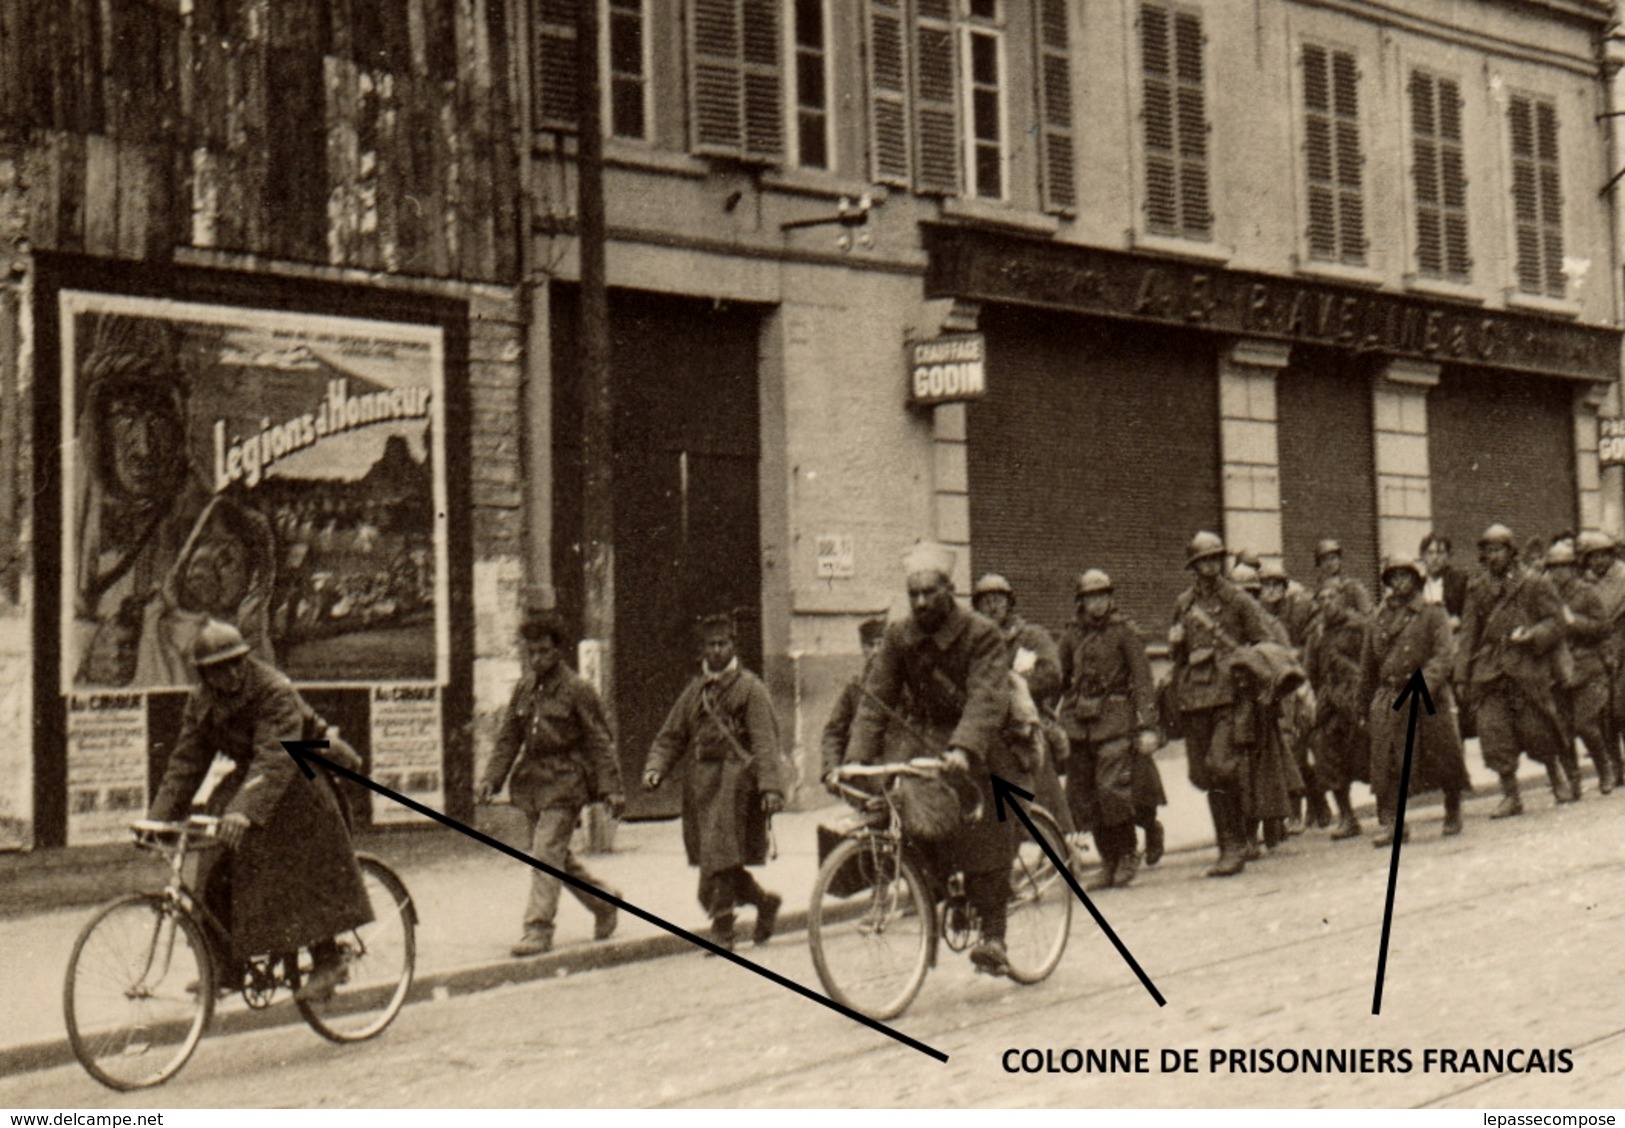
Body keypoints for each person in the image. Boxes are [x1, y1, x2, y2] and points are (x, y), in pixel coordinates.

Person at [145, 619, 371, 1002]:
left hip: (299, 776)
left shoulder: (272, 688)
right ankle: (224, 965)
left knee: (294, 868)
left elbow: (275, 754)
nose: (231, 673)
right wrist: (157, 819)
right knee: (217, 864)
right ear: (204, 673)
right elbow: (186, 762)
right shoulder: (201, 701)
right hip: (255, 781)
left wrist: (243, 811)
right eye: (219, 667)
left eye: (236, 662)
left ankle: (328, 960)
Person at [847, 542, 1026, 975]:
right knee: (908, 814)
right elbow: (876, 701)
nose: (922, 602)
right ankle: (945, 894)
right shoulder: (898, 636)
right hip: (928, 743)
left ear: (949, 590)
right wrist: (853, 761)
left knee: (986, 825)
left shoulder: (982, 633)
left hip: (986, 742)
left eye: (930, 592)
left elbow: (987, 698)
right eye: (914, 595)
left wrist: (964, 749)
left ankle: (994, 937)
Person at [71, 319, 212, 688]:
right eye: (127, 416)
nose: (144, 447)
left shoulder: (197, 509)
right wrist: (84, 651)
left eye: (156, 418)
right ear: (101, 424)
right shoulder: (74, 508)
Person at [478, 610, 624, 957]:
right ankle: (605, 902)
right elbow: (508, 739)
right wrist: (490, 779)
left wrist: (612, 789)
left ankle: (538, 929)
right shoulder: (524, 689)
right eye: (531, 652)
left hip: (566, 782)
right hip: (533, 784)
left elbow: (600, 742)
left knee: (546, 853)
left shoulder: (577, 689)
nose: (537, 659)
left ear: (558, 651)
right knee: (555, 855)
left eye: (544, 651)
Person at [643, 613, 790, 952]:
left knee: (719, 857)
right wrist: (655, 767)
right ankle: (765, 902)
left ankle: (723, 930)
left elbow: (765, 741)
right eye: (711, 645)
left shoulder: (750, 689)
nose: (717, 651)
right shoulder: (695, 691)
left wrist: (770, 788)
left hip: (734, 784)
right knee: (715, 861)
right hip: (701, 787)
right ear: (702, 650)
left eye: (723, 643)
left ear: (733, 646)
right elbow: (672, 735)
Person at [1168, 531, 1277, 877]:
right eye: (1204, 561)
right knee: (1202, 773)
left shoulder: (1238, 600)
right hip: (1195, 698)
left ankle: (1232, 846)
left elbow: (1265, 643)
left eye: (1216, 559)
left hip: (1231, 696)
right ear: (1194, 566)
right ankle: (1233, 840)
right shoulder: (1184, 604)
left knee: (1221, 765)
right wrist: (1176, 644)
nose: (1210, 566)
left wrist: (1253, 675)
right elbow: (1178, 655)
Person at [1455, 524, 1573, 816]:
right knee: (1493, 731)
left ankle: (1556, 776)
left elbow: (1556, 622)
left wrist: (1532, 634)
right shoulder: (1477, 589)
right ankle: (1510, 794)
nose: (1493, 556)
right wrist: (1460, 675)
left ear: (1511, 551)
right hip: (1490, 670)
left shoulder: (1534, 583)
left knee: (1537, 728)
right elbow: (1468, 634)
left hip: (1525, 667)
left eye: (1499, 550)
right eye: (1488, 551)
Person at [1057, 569, 1165, 890]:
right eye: (1091, 597)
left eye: (1103, 596)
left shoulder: (1124, 632)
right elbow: (1059, 677)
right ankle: (1109, 860)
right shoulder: (1071, 635)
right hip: (1079, 723)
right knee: (1085, 795)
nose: (1098, 603)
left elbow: (1144, 680)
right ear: (1082, 601)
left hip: (1116, 720)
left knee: (1110, 790)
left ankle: (1128, 852)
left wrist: (1147, 726)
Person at [1362, 555, 1467, 843]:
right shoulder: (1378, 618)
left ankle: (1452, 808)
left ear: (1416, 579)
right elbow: (1368, 666)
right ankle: (1396, 826)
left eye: (1405, 576)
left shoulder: (1432, 613)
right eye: (1393, 577)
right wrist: (1363, 705)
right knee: (1390, 761)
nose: (1399, 583)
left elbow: (1444, 656)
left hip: (1426, 695)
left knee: (1443, 753)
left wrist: (1423, 685)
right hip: (1391, 696)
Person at [969, 573, 1074, 838]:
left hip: (1030, 724)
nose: (993, 607)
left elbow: (1052, 675)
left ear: (1009, 603)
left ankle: (1063, 843)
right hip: (992, 728)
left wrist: (1015, 687)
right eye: (986, 602)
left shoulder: (1030, 637)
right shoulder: (974, 645)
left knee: (1043, 787)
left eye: (999, 600)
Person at [1305, 538, 1373, 840]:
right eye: (1324, 560)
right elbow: (1311, 669)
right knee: (1325, 750)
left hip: (1357, 692)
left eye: (1334, 558)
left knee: (1369, 749)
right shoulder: (1316, 624)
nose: (1329, 564)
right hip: (1330, 698)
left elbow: (1373, 639)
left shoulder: (1355, 599)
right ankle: (1346, 815)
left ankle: (1388, 808)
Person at [1545, 543, 1613, 795]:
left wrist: (1574, 621)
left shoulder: (1586, 592)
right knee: (1561, 728)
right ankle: (1573, 781)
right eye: (1553, 567)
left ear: (1573, 568)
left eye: (1563, 567)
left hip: (1587, 666)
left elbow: (1603, 627)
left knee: (1585, 724)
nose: (1558, 573)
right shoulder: (1545, 594)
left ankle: (1604, 769)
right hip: (1558, 669)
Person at [1579, 530, 1625, 790]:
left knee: (1621, 708)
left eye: (1603, 556)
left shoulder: (1622, 577)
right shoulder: (1588, 583)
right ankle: (1615, 768)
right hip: (1600, 653)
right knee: (1604, 713)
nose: (1598, 562)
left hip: (1623, 647)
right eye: (1592, 557)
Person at [820, 616, 889, 779]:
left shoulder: (906, 683)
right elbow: (834, 731)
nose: (875, 651)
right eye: (869, 645)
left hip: (898, 769)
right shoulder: (855, 688)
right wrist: (832, 767)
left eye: (880, 644)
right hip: (865, 771)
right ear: (862, 649)